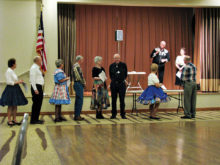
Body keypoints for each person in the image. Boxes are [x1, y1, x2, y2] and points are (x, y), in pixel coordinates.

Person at [0, 58, 28, 126]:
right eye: (15, 63)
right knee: (10, 105)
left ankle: (14, 119)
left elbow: (14, 80)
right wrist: (18, 82)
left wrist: (19, 81)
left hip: (15, 88)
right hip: (11, 89)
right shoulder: (8, 71)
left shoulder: (12, 71)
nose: (16, 64)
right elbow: (9, 82)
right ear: (13, 64)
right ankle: (9, 120)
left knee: (15, 105)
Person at [109, 54, 127, 119]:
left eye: (118, 58)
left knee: (122, 100)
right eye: (115, 58)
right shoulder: (111, 66)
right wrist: (115, 81)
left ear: (120, 58)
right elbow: (110, 75)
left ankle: (123, 114)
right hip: (114, 85)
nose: (117, 59)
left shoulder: (123, 65)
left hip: (121, 84)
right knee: (113, 100)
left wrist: (120, 79)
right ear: (114, 59)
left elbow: (125, 74)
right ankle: (113, 114)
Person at [29, 56, 44, 124]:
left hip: (38, 87)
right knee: (36, 104)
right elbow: (32, 79)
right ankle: (33, 120)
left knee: (38, 104)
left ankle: (36, 119)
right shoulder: (34, 68)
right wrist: (35, 89)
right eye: (40, 60)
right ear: (37, 61)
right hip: (36, 87)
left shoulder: (36, 68)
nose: (41, 62)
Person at [72, 55, 86, 121]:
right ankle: (77, 115)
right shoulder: (76, 66)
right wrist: (83, 83)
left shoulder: (76, 66)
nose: (82, 61)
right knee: (79, 100)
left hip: (78, 84)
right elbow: (78, 77)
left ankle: (77, 115)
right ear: (79, 60)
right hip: (78, 84)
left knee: (78, 100)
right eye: (82, 59)